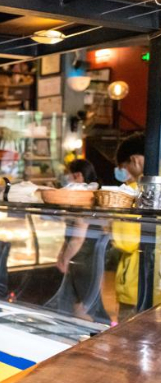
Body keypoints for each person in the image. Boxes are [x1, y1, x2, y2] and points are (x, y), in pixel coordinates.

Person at [55, 159, 109, 323]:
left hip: (85, 262)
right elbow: (71, 236)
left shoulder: (85, 200)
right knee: (82, 306)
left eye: (68, 175)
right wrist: (63, 253)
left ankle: (102, 337)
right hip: (82, 260)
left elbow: (78, 238)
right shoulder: (88, 198)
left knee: (84, 309)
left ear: (78, 176)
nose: (66, 178)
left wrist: (65, 258)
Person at [112, 133, 144, 322]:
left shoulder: (131, 191)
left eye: (123, 167)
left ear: (134, 160)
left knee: (128, 335)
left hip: (135, 283)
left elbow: (127, 242)